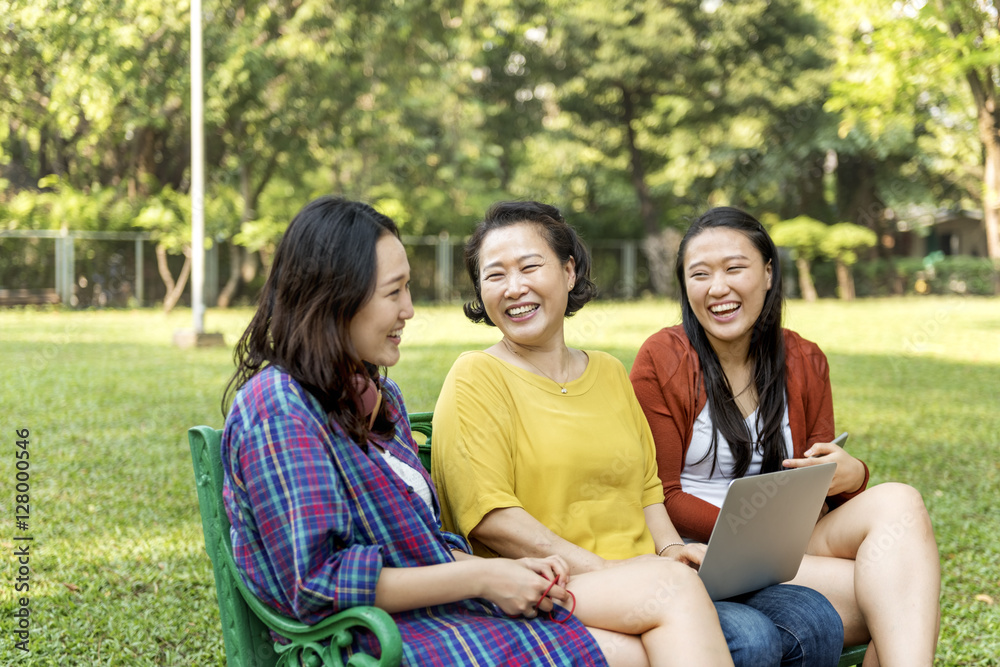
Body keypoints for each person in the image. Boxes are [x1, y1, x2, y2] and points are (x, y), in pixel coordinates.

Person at [220, 195, 735, 667]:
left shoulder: (373, 393)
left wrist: (509, 575)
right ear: (336, 297)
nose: (409, 310)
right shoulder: (278, 406)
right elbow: (320, 583)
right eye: (393, 292)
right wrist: (485, 574)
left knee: (665, 596)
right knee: (661, 608)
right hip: (370, 639)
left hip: (446, 606)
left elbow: (425, 537)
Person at [432, 200, 844, 667]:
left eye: (530, 266)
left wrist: (671, 552)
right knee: (750, 638)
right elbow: (492, 520)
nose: (515, 288)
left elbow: (648, 490)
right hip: (560, 582)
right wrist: (616, 571)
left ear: (569, 272)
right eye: (494, 275)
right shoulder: (475, 376)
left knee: (814, 619)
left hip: (654, 573)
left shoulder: (607, 371)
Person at [629, 206, 941, 666]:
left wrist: (850, 475)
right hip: (703, 551)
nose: (718, 288)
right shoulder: (663, 357)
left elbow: (821, 483)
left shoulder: (804, 358)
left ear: (769, 273)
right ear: (685, 285)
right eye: (700, 274)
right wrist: (750, 536)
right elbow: (662, 491)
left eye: (735, 268)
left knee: (902, 503)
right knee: (903, 598)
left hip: (790, 545)